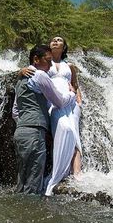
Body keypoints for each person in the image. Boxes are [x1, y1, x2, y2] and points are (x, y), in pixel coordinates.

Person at [20, 36, 83, 196]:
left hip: (70, 102)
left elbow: (75, 85)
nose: (55, 41)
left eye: (59, 40)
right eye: (53, 39)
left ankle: (76, 172)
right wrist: (19, 71)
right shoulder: (41, 68)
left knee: (74, 133)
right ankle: (58, 171)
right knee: (63, 129)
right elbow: (31, 73)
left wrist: (79, 99)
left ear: (64, 46)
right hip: (54, 100)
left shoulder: (69, 66)